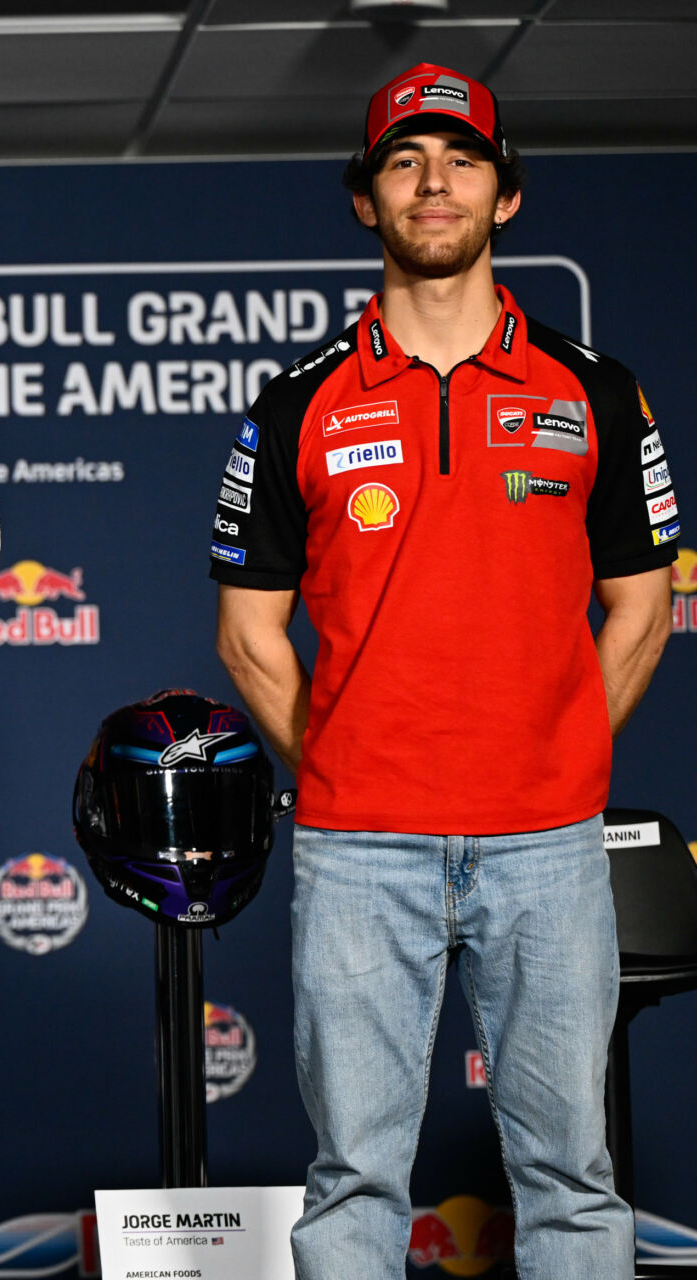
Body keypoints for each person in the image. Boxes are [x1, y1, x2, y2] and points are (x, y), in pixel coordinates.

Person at [210, 62, 675, 1279]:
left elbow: (644, 601)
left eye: (461, 159)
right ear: (366, 199)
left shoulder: (598, 392)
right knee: (354, 1179)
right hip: (360, 843)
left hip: (548, 838)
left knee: (573, 1176)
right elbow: (248, 636)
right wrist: (351, 764)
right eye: (405, 162)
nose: (434, 183)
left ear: (504, 195)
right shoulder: (296, 402)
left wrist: (560, 746)